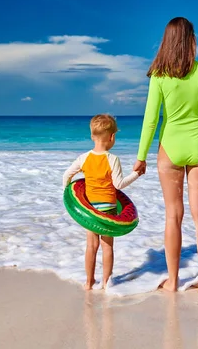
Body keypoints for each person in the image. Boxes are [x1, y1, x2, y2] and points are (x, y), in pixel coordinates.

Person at [133, 17, 198, 295]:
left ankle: (172, 281)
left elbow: (150, 119)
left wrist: (141, 156)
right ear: (192, 40)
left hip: (169, 149)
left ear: (166, 42)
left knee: (173, 215)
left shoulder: (159, 77)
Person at [63, 114, 141, 290]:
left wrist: (69, 195)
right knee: (107, 246)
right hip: (108, 208)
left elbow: (67, 175)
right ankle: (106, 282)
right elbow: (118, 184)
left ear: (92, 136)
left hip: (90, 208)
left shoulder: (83, 158)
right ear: (112, 137)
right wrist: (136, 174)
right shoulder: (112, 159)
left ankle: (89, 281)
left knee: (91, 245)